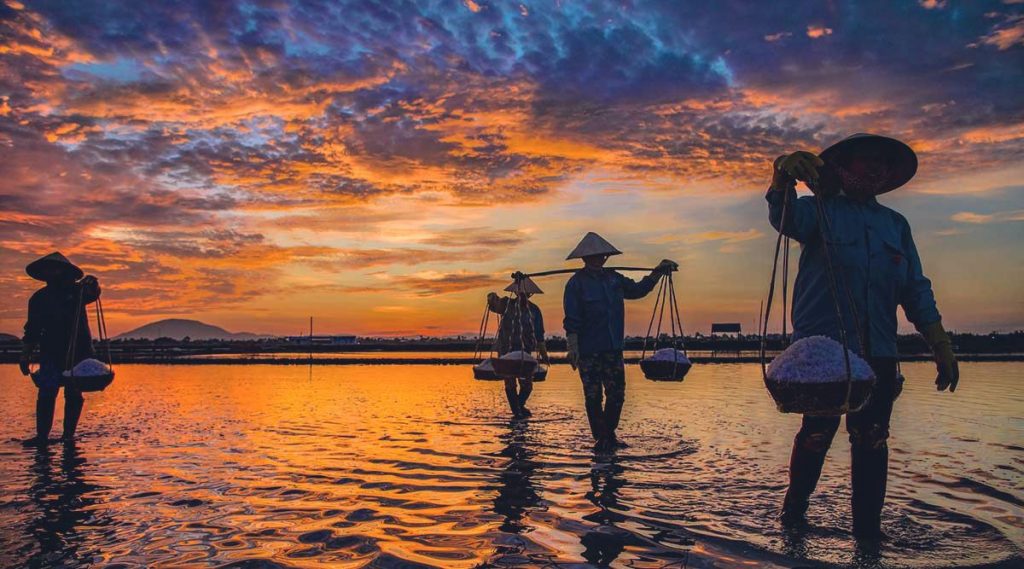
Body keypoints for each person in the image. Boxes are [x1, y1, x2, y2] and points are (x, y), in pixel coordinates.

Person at [767, 134, 959, 539]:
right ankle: (793, 516)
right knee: (817, 432)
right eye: (864, 162)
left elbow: (914, 288)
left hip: (878, 352)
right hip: (826, 352)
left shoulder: (895, 225)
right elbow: (784, 219)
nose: (873, 170)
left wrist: (939, 342)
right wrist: (782, 172)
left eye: (881, 165)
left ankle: (868, 535)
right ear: (841, 169)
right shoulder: (818, 211)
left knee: (872, 438)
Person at [562, 232, 677, 452]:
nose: (597, 260)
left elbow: (638, 290)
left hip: (613, 348)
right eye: (592, 257)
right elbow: (572, 320)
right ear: (585, 259)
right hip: (588, 350)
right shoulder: (575, 284)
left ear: (605, 257)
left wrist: (658, 272)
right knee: (593, 395)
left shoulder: (614, 279)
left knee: (617, 394)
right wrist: (572, 348)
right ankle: (602, 439)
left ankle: (607, 435)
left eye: (600, 256)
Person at [19, 252, 102, 446]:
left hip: (78, 351)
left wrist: (93, 283)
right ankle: (42, 436)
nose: (50, 272)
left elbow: (94, 293)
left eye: (54, 268)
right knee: (47, 393)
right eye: (47, 269)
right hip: (51, 351)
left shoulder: (77, 292)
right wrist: (25, 354)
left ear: (63, 271)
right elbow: (32, 329)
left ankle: (68, 435)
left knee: (73, 393)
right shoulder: (39, 299)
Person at [487, 276, 548, 419]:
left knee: (527, 384)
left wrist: (544, 354)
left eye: (525, 294)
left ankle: (519, 407)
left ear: (529, 294)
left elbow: (539, 335)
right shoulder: (507, 305)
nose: (522, 296)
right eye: (520, 293)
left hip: (524, 351)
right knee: (509, 382)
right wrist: (491, 297)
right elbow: (493, 304)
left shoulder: (534, 310)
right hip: (506, 350)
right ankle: (517, 412)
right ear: (515, 293)